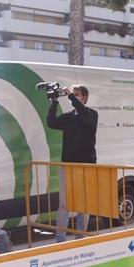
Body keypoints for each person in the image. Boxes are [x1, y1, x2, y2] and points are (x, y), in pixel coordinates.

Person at [47, 85, 98, 242]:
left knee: (84, 203)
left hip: (86, 166)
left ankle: (80, 236)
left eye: (77, 95)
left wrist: (70, 96)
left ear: (84, 97)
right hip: (68, 166)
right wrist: (54, 102)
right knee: (64, 203)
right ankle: (60, 238)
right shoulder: (69, 117)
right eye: (73, 94)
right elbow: (52, 122)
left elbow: (83, 114)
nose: (73, 97)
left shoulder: (91, 114)